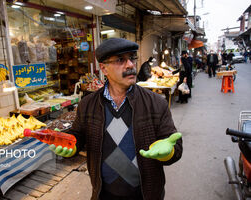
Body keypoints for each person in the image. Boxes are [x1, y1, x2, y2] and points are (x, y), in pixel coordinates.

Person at [49, 38, 183, 200]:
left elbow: (174, 147)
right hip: (103, 193)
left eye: (132, 58)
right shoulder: (88, 104)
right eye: (121, 60)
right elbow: (78, 135)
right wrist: (70, 144)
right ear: (104, 68)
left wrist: (168, 152)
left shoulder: (156, 103)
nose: (131, 65)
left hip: (146, 194)